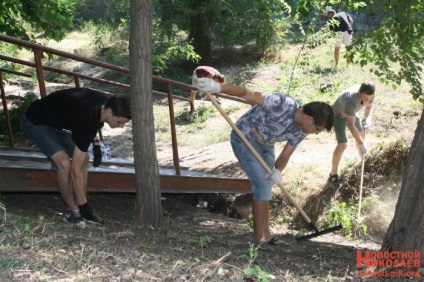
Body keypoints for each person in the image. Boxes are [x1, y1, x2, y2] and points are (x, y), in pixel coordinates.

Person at [197, 77, 334, 248]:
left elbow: (286, 154)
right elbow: (247, 93)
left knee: (267, 187)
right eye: (318, 130)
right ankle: (259, 238)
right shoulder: (281, 103)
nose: (316, 133)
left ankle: (267, 236)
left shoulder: (301, 131)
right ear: (310, 119)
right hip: (244, 137)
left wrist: (277, 171)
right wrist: (217, 87)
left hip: (266, 145)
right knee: (261, 185)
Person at [22, 87, 132, 224]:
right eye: (120, 121)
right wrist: (84, 206)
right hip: (35, 121)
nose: (121, 126)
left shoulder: (106, 104)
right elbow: (75, 169)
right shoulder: (88, 117)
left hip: (54, 125)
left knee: (84, 158)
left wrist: (96, 144)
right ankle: (73, 211)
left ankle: (81, 203)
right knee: (64, 164)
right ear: (109, 111)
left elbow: (90, 125)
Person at [328, 81, 375, 186]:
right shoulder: (350, 100)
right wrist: (361, 143)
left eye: (368, 98)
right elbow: (351, 125)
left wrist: (368, 118)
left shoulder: (370, 94)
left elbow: (368, 107)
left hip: (351, 114)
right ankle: (333, 174)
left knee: (362, 133)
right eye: (364, 97)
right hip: (338, 115)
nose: (366, 100)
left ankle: (361, 160)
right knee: (343, 144)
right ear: (359, 91)